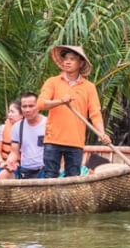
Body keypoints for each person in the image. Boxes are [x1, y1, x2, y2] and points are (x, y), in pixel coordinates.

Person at [37, 45, 112, 178]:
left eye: (72, 59)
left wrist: (101, 133)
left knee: (73, 177)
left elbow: (95, 113)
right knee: (50, 176)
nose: (67, 62)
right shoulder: (53, 82)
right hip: (53, 140)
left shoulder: (89, 87)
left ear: (81, 63)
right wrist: (61, 101)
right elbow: (41, 104)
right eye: (65, 58)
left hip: (75, 142)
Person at [5, 92, 47, 179]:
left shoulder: (48, 124)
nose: (27, 110)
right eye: (24, 106)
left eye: (31, 106)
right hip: (25, 170)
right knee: (3, 174)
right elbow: (14, 152)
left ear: (38, 107)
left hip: (45, 169)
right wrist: (9, 163)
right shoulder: (17, 127)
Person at [0, 100, 22, 179]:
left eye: (12, 112)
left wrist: (16, 164)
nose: (9, 114)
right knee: (4, 173)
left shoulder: (27, 129)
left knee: (6, 174)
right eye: (9, 111)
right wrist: (1, 163)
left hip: (20, 166)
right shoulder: (2, 128)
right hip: (2, 164)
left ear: (21, 115)